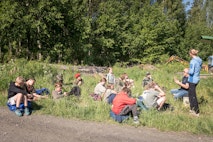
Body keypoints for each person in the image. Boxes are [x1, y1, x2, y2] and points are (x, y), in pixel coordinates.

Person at [188, 49, 202, 117]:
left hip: (192, 79)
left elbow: (191, 72)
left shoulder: (192, 61)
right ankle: (191, 109)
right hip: (197, 78)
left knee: (192, 95)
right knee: (190, 94)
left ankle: (196, 112)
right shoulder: (199, 60)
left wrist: (187, 70)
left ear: (191, 54)